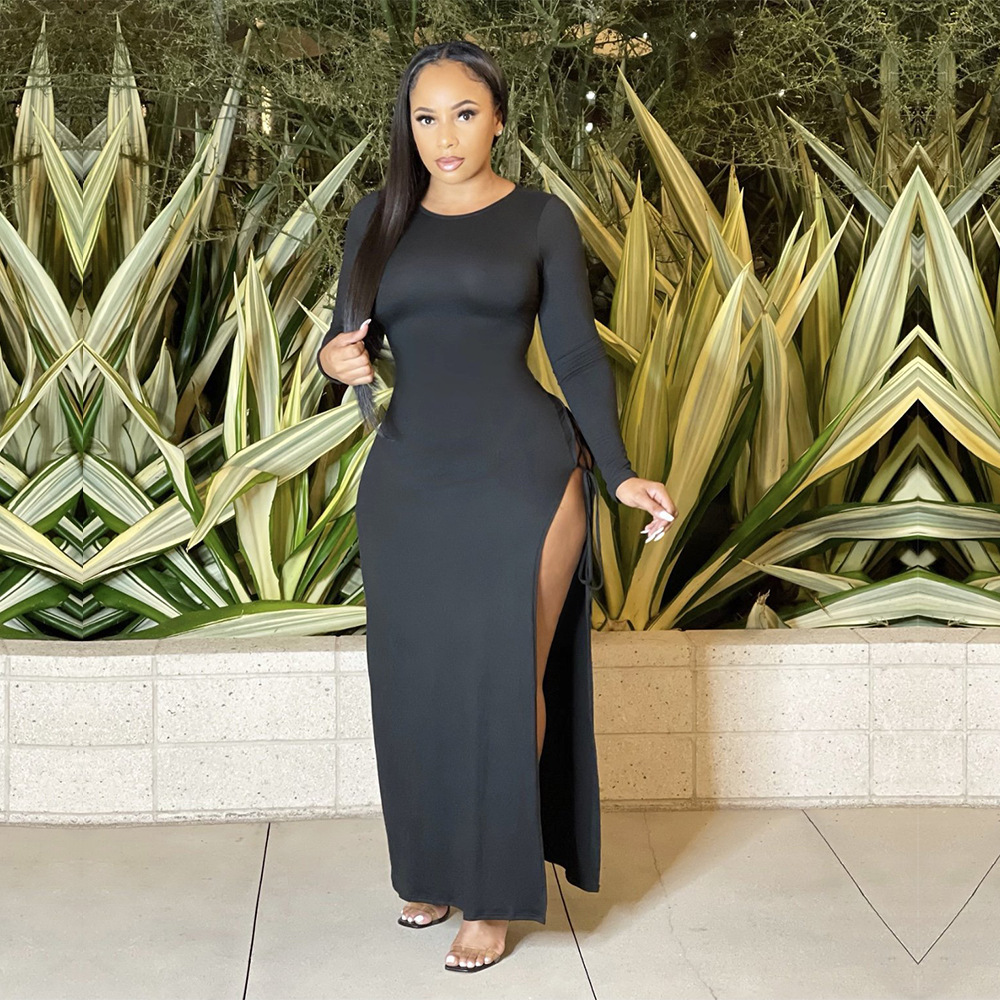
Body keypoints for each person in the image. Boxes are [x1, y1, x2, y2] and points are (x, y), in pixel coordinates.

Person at [317, 39, 677, 973]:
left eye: (465, 114)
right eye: (426, 117)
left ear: (499, 119)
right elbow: (347, 342)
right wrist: (334, 359)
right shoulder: (374, 219)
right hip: (409, 479)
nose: (445, 136)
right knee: (417, 685)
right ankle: (433, 867)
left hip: (524, 473)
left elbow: (578, 354)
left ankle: (493, 893)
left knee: (504, 682)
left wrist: (618, 473)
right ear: (408, 127)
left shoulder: (541, 218)